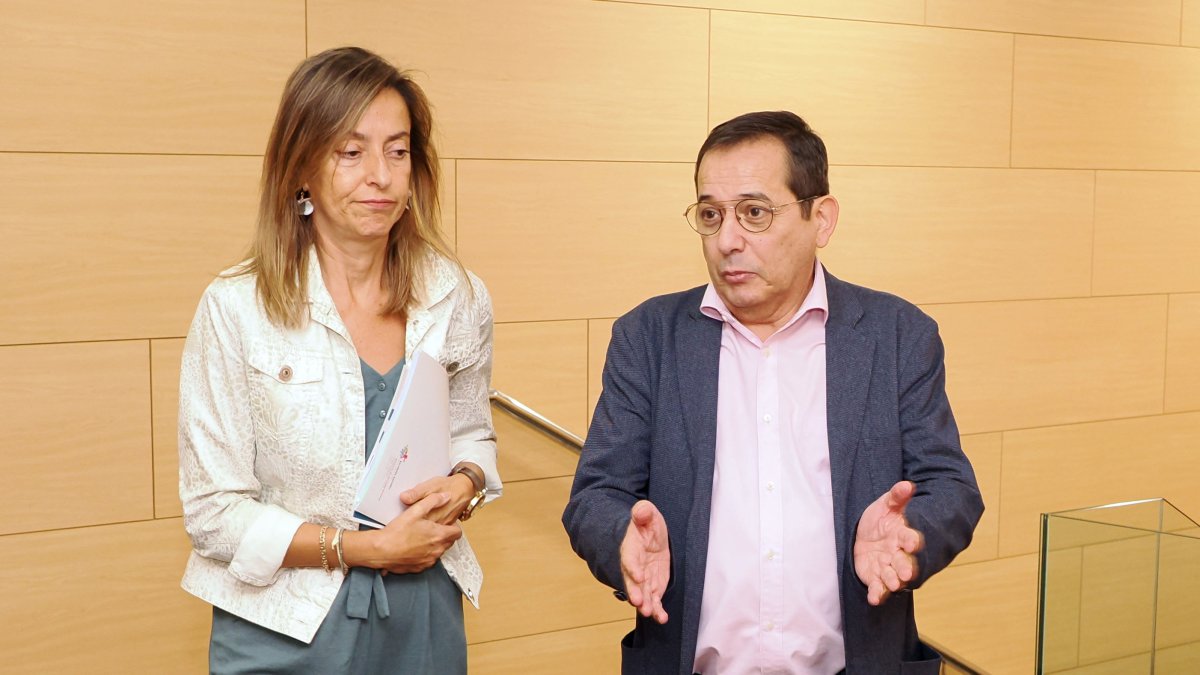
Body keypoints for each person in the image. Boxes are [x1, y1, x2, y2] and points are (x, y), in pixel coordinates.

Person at [562, 111, 983, 675]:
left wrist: (911, 533)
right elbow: (595, 494)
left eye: (754, 213)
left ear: (821, 219)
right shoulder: (648, 338)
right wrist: (621, 542)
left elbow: (951, 486)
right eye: (711, 215)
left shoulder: (898, 336)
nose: (728, 240)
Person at [178, 46, 500, 674]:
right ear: (301, 167)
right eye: (350, 152)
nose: (379, 175)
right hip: (283, 628)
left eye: (398, 150)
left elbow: (472, 433)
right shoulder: (236, 308)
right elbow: (214, 513)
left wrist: (466, 482)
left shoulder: (457, 295)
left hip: (424, 617)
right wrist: (365, 549)